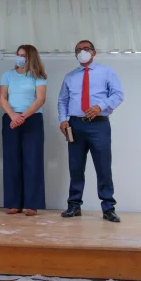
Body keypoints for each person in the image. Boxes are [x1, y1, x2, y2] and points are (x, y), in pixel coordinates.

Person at [58, 40, 124, 222]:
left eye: (85, 49)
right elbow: (62, 100)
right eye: (78, 50)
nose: (82, 52)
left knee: (103, 167)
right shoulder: (70, 76)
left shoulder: (106, 72)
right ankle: (74, 205)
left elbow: (118, 94)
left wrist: (100, 106)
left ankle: (108, 208)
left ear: (94, 52)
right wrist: (63, 120)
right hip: (75, 125)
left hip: (99, 125)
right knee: (76, 167)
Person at [0, 45, 47, 216]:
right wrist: (13, 115)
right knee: (12, 160)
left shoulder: (38, 76)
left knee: (32, 161)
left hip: (32, 119)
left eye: (23, 55)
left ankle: (32, 204)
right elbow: (2, 98)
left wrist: (23, 117)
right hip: (11, 119)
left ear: (30, 58)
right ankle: (14, 203)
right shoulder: (8, 75)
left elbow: (40, 99)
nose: (19, 58)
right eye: (18, 55)